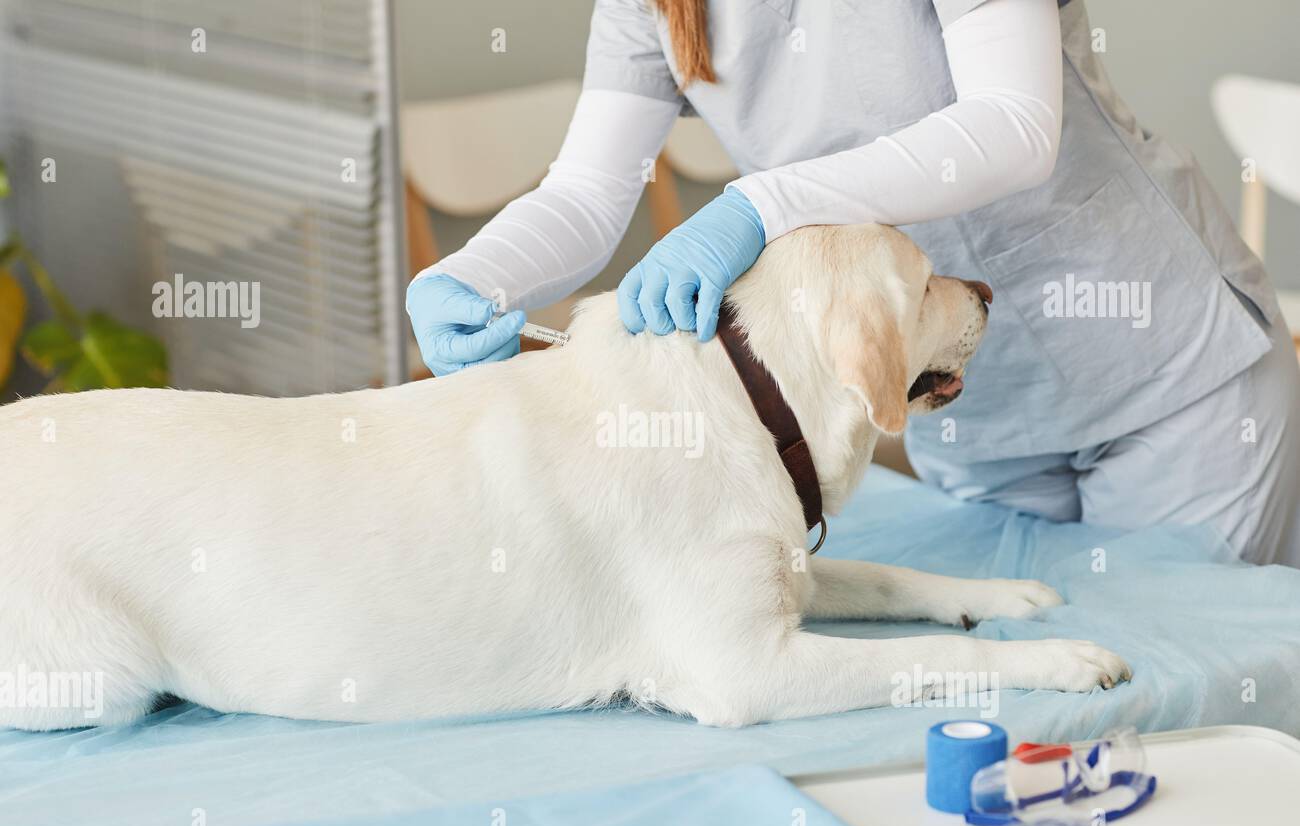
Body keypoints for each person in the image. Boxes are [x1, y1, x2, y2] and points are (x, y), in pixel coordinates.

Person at [405, 0, 1300, 567]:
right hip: (970, 412)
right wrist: (467, 276)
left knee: (1174, 713)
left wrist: (763, 204)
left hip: (1165, 380)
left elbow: (1016, 124)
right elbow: (590, 191)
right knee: (1037, 724)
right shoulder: (653, 8)